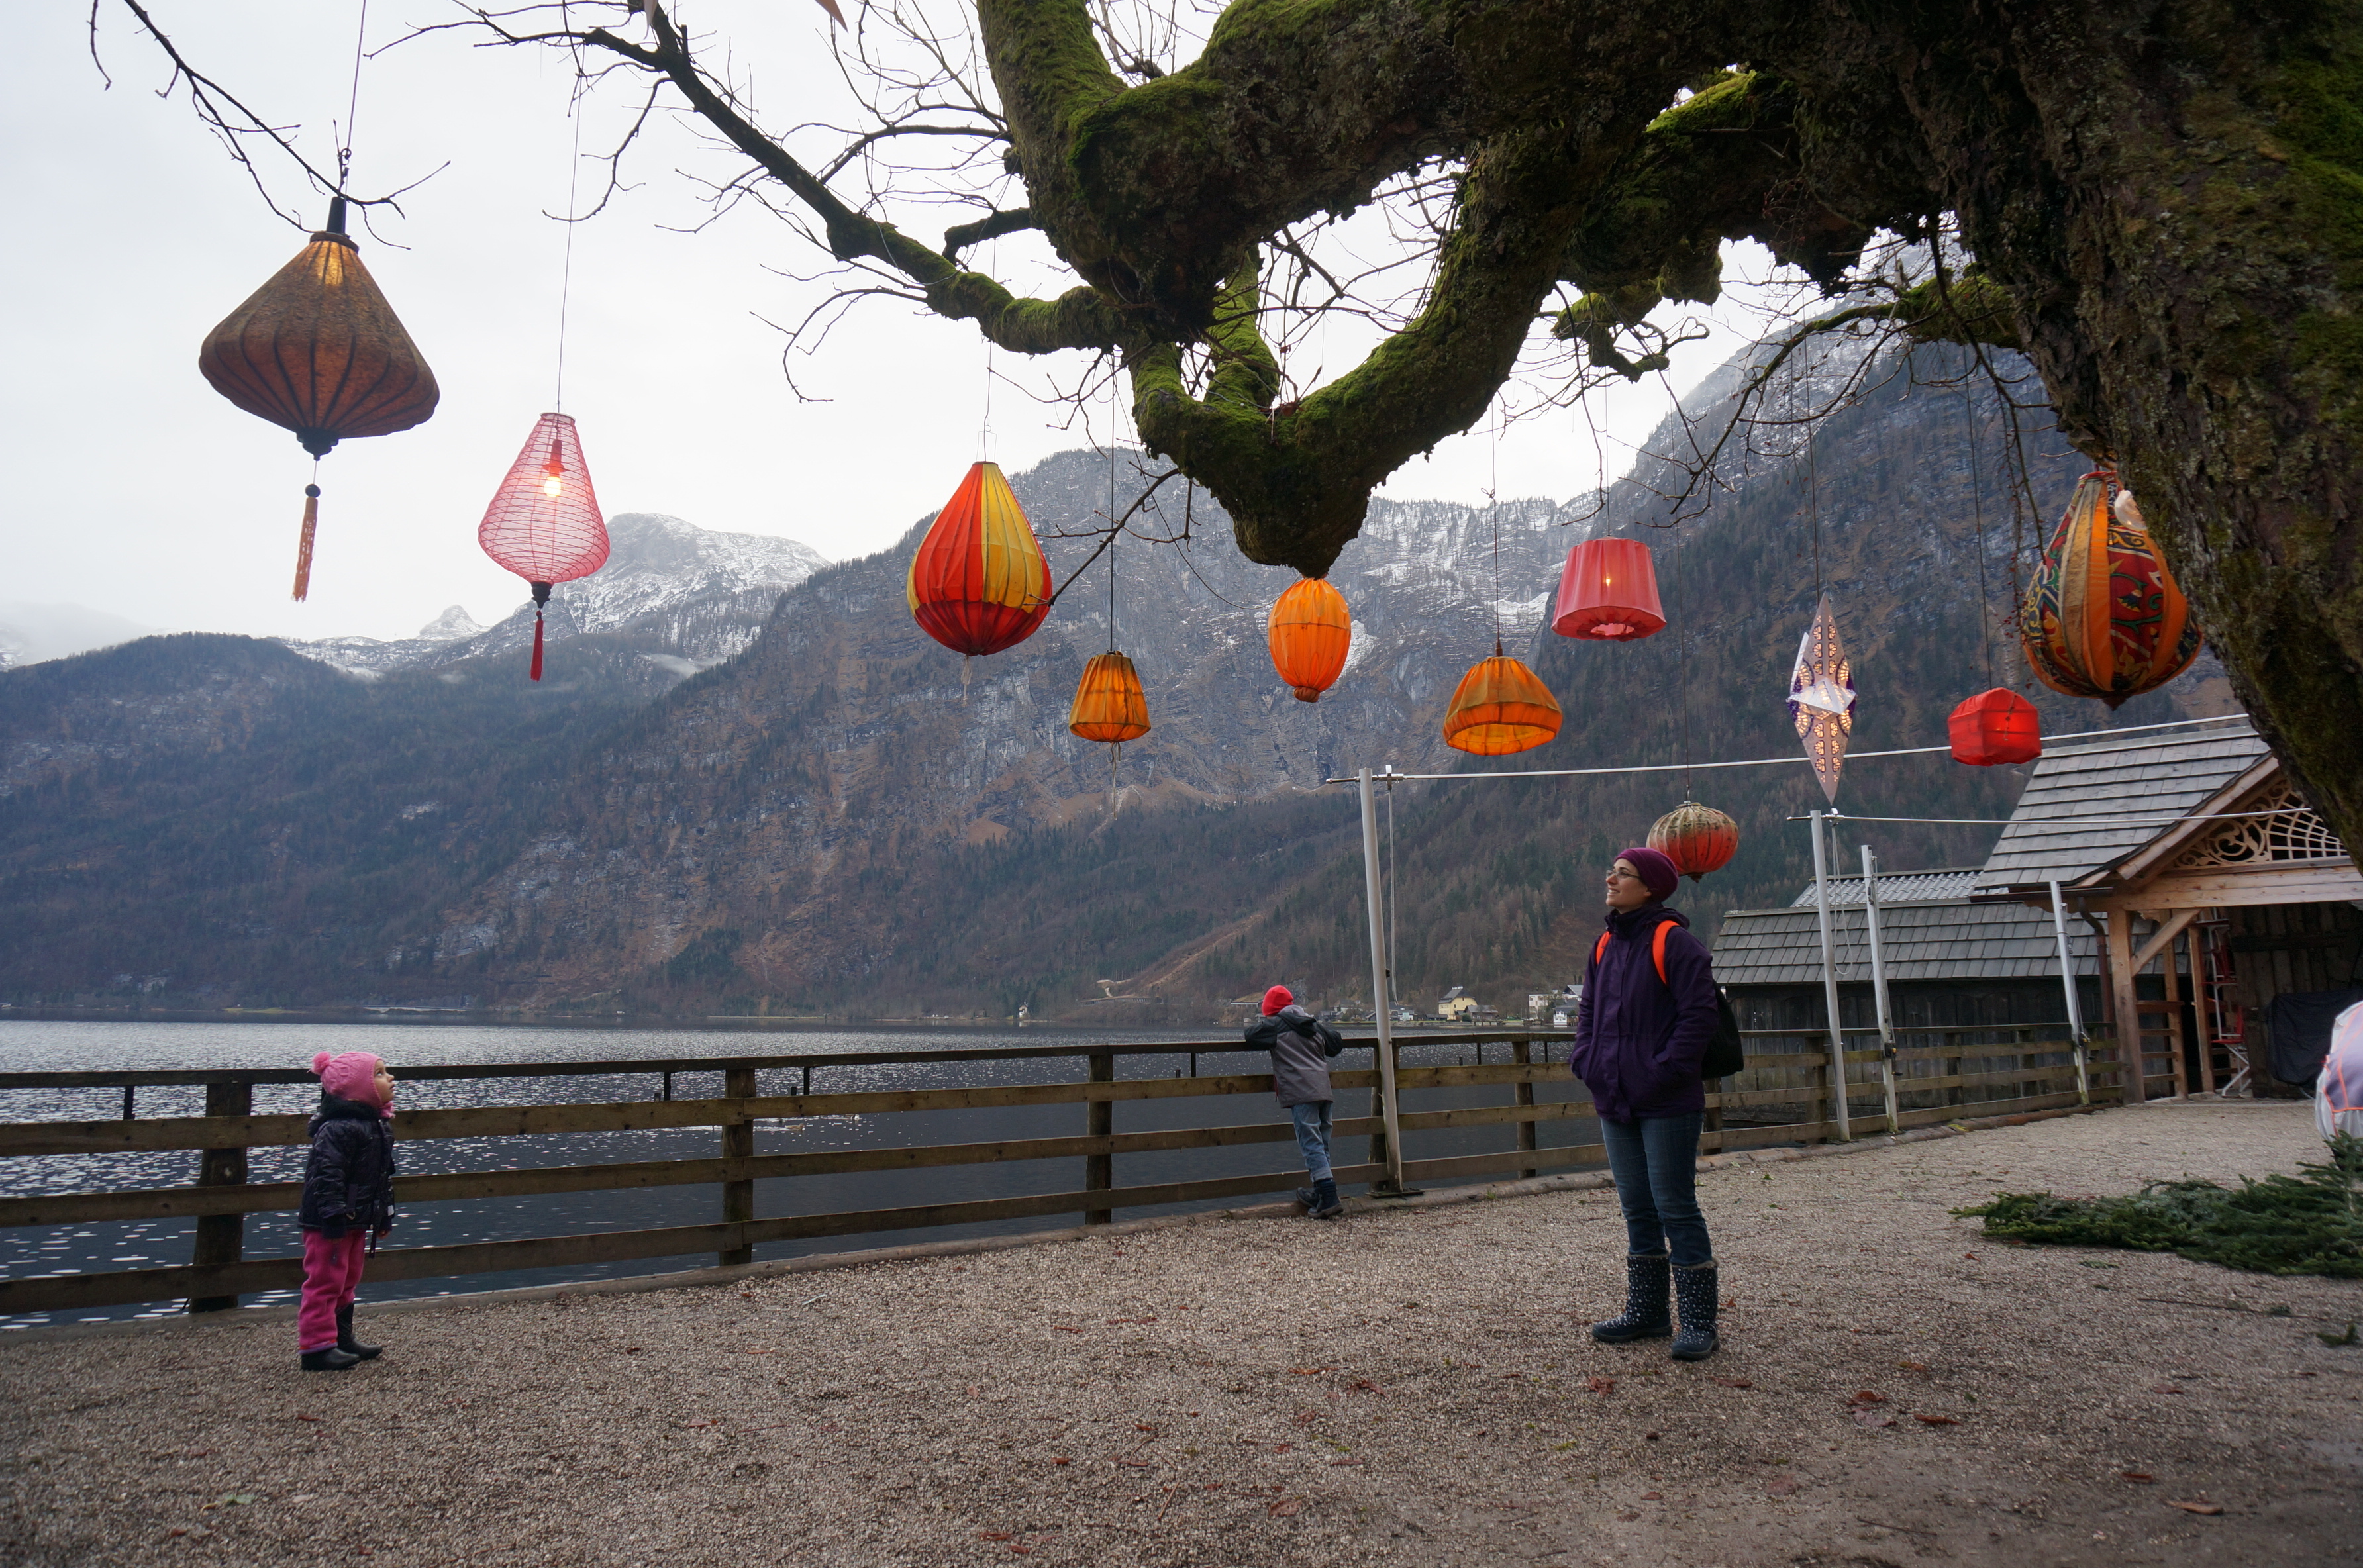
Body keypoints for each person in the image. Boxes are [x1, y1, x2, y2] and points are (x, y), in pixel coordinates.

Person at [1572, 848, 1724, 1361]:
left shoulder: (1676, 943)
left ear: (1650, 887)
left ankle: (1699, 1323)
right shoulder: (1604, 945)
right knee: (1637, 1206)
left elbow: (1700, 1018)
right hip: (1614, 1095)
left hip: (1667, 1100)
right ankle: (1648, 1313)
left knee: (1675, 1206)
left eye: (1623, 874)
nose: (1610, 879)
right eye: (1612, 871)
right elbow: (1588, 1013)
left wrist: (1664, 1071)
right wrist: (1587, 1062)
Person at [297, 1050, 398, 1371]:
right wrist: (332, 1217)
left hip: (355, 1219)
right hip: (330, 1223)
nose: (390, 1078)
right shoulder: (337, 1129)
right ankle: (316, 1348)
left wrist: (383, 1215)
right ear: (357, 1088)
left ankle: (341, 1338)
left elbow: (381, 1177)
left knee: (348, 1278)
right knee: (325, 1281)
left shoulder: (376, 1126)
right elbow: (325, 1177)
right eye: (379, 1074)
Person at [1244, 985, 1346, 1220]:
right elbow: (1336, 1044)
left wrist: (1271, 1023)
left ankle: (1329, 1196)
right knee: (1321, 1144)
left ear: (1272, 1010)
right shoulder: (1312, 1024)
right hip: (1324, 1091)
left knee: (1311, 1144)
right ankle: (1321, 1192)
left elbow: (1250, 1035)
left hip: (1302, 1093)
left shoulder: (1276, 1026)